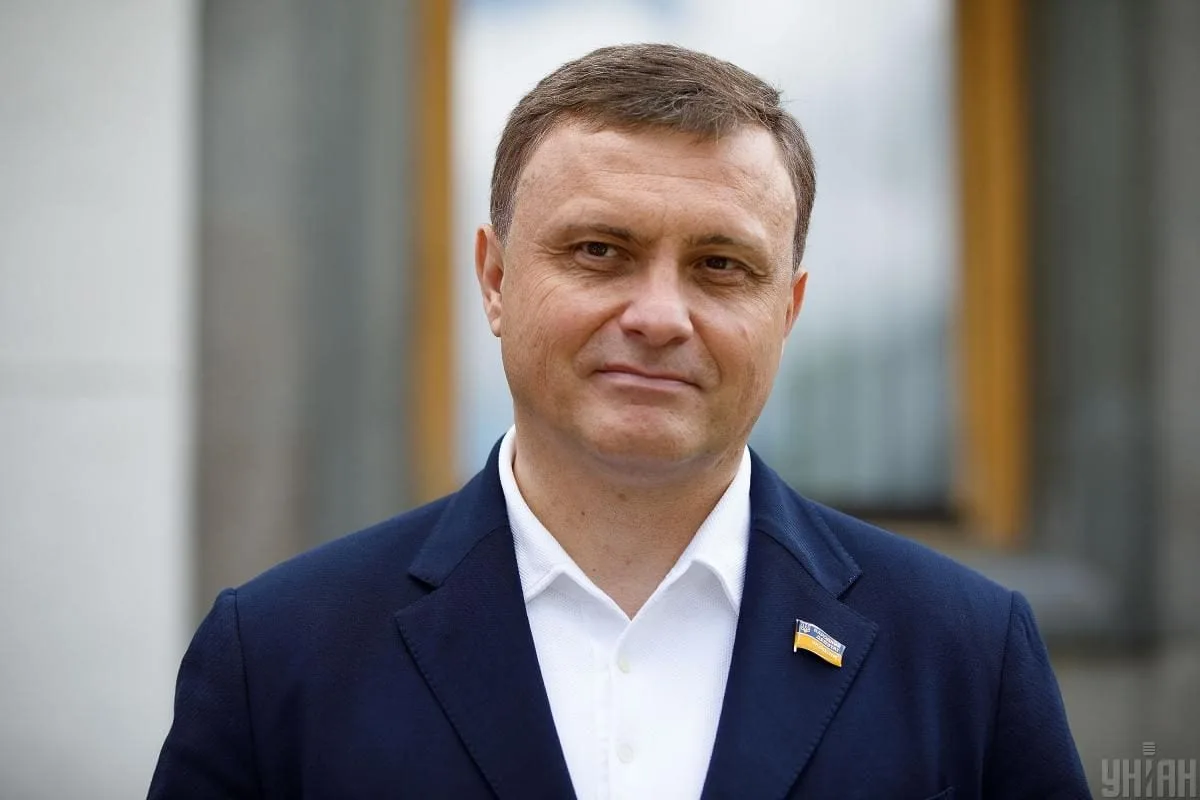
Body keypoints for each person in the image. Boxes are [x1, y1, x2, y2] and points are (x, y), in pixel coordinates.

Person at [149, 44, 1089, 799]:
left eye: (721, 266)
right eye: (600, 251)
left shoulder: (966, 652)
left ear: (788, 310)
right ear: (495, 279)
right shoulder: (278, 654)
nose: (660, 316)